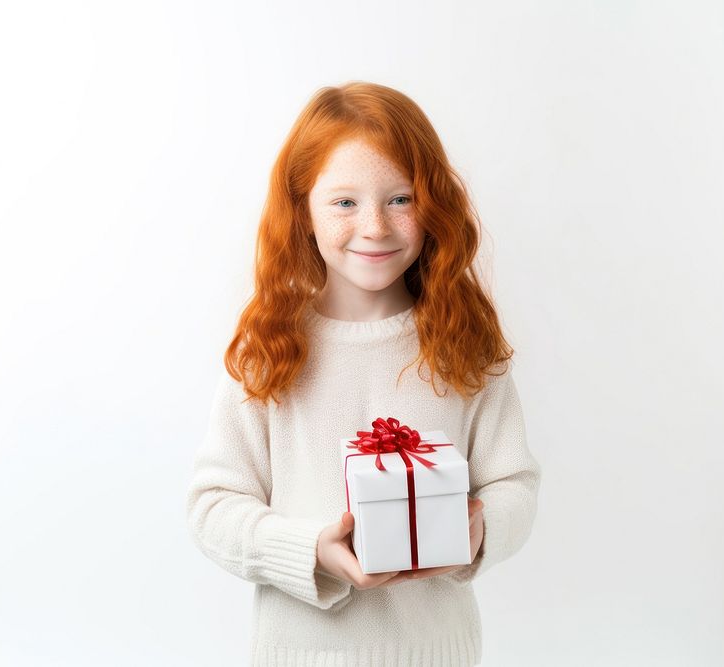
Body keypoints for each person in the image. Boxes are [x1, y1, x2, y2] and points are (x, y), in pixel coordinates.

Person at [185, 81, 541, 666]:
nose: (374, 226)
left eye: (400, 199)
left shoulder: (464, 345)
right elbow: (213, 504)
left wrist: (477, 532)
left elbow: (514, 482)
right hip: (300, 653)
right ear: (302, 210)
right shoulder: (268, 350)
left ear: (434, 207)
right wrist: (312, 551)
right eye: (344, 202)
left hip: (437, 653)